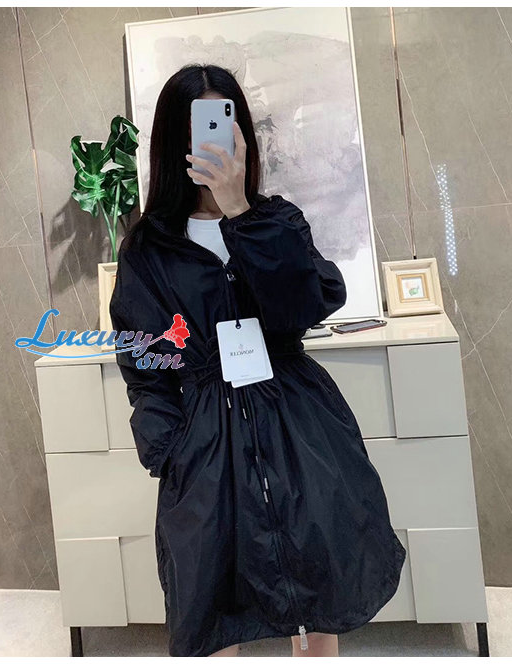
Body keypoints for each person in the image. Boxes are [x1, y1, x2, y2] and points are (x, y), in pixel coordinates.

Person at [110, 64, 407, 658]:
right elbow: (145, 364)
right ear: (174, 142)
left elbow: (302, 306)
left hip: (299, 425)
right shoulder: (149, 248)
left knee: (319, 595)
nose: (215, 141)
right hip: (205, 444)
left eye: (227, 125)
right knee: (213, 607)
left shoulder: (276, 221)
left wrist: (241, 212)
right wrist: (170, 451)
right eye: (198, 128)